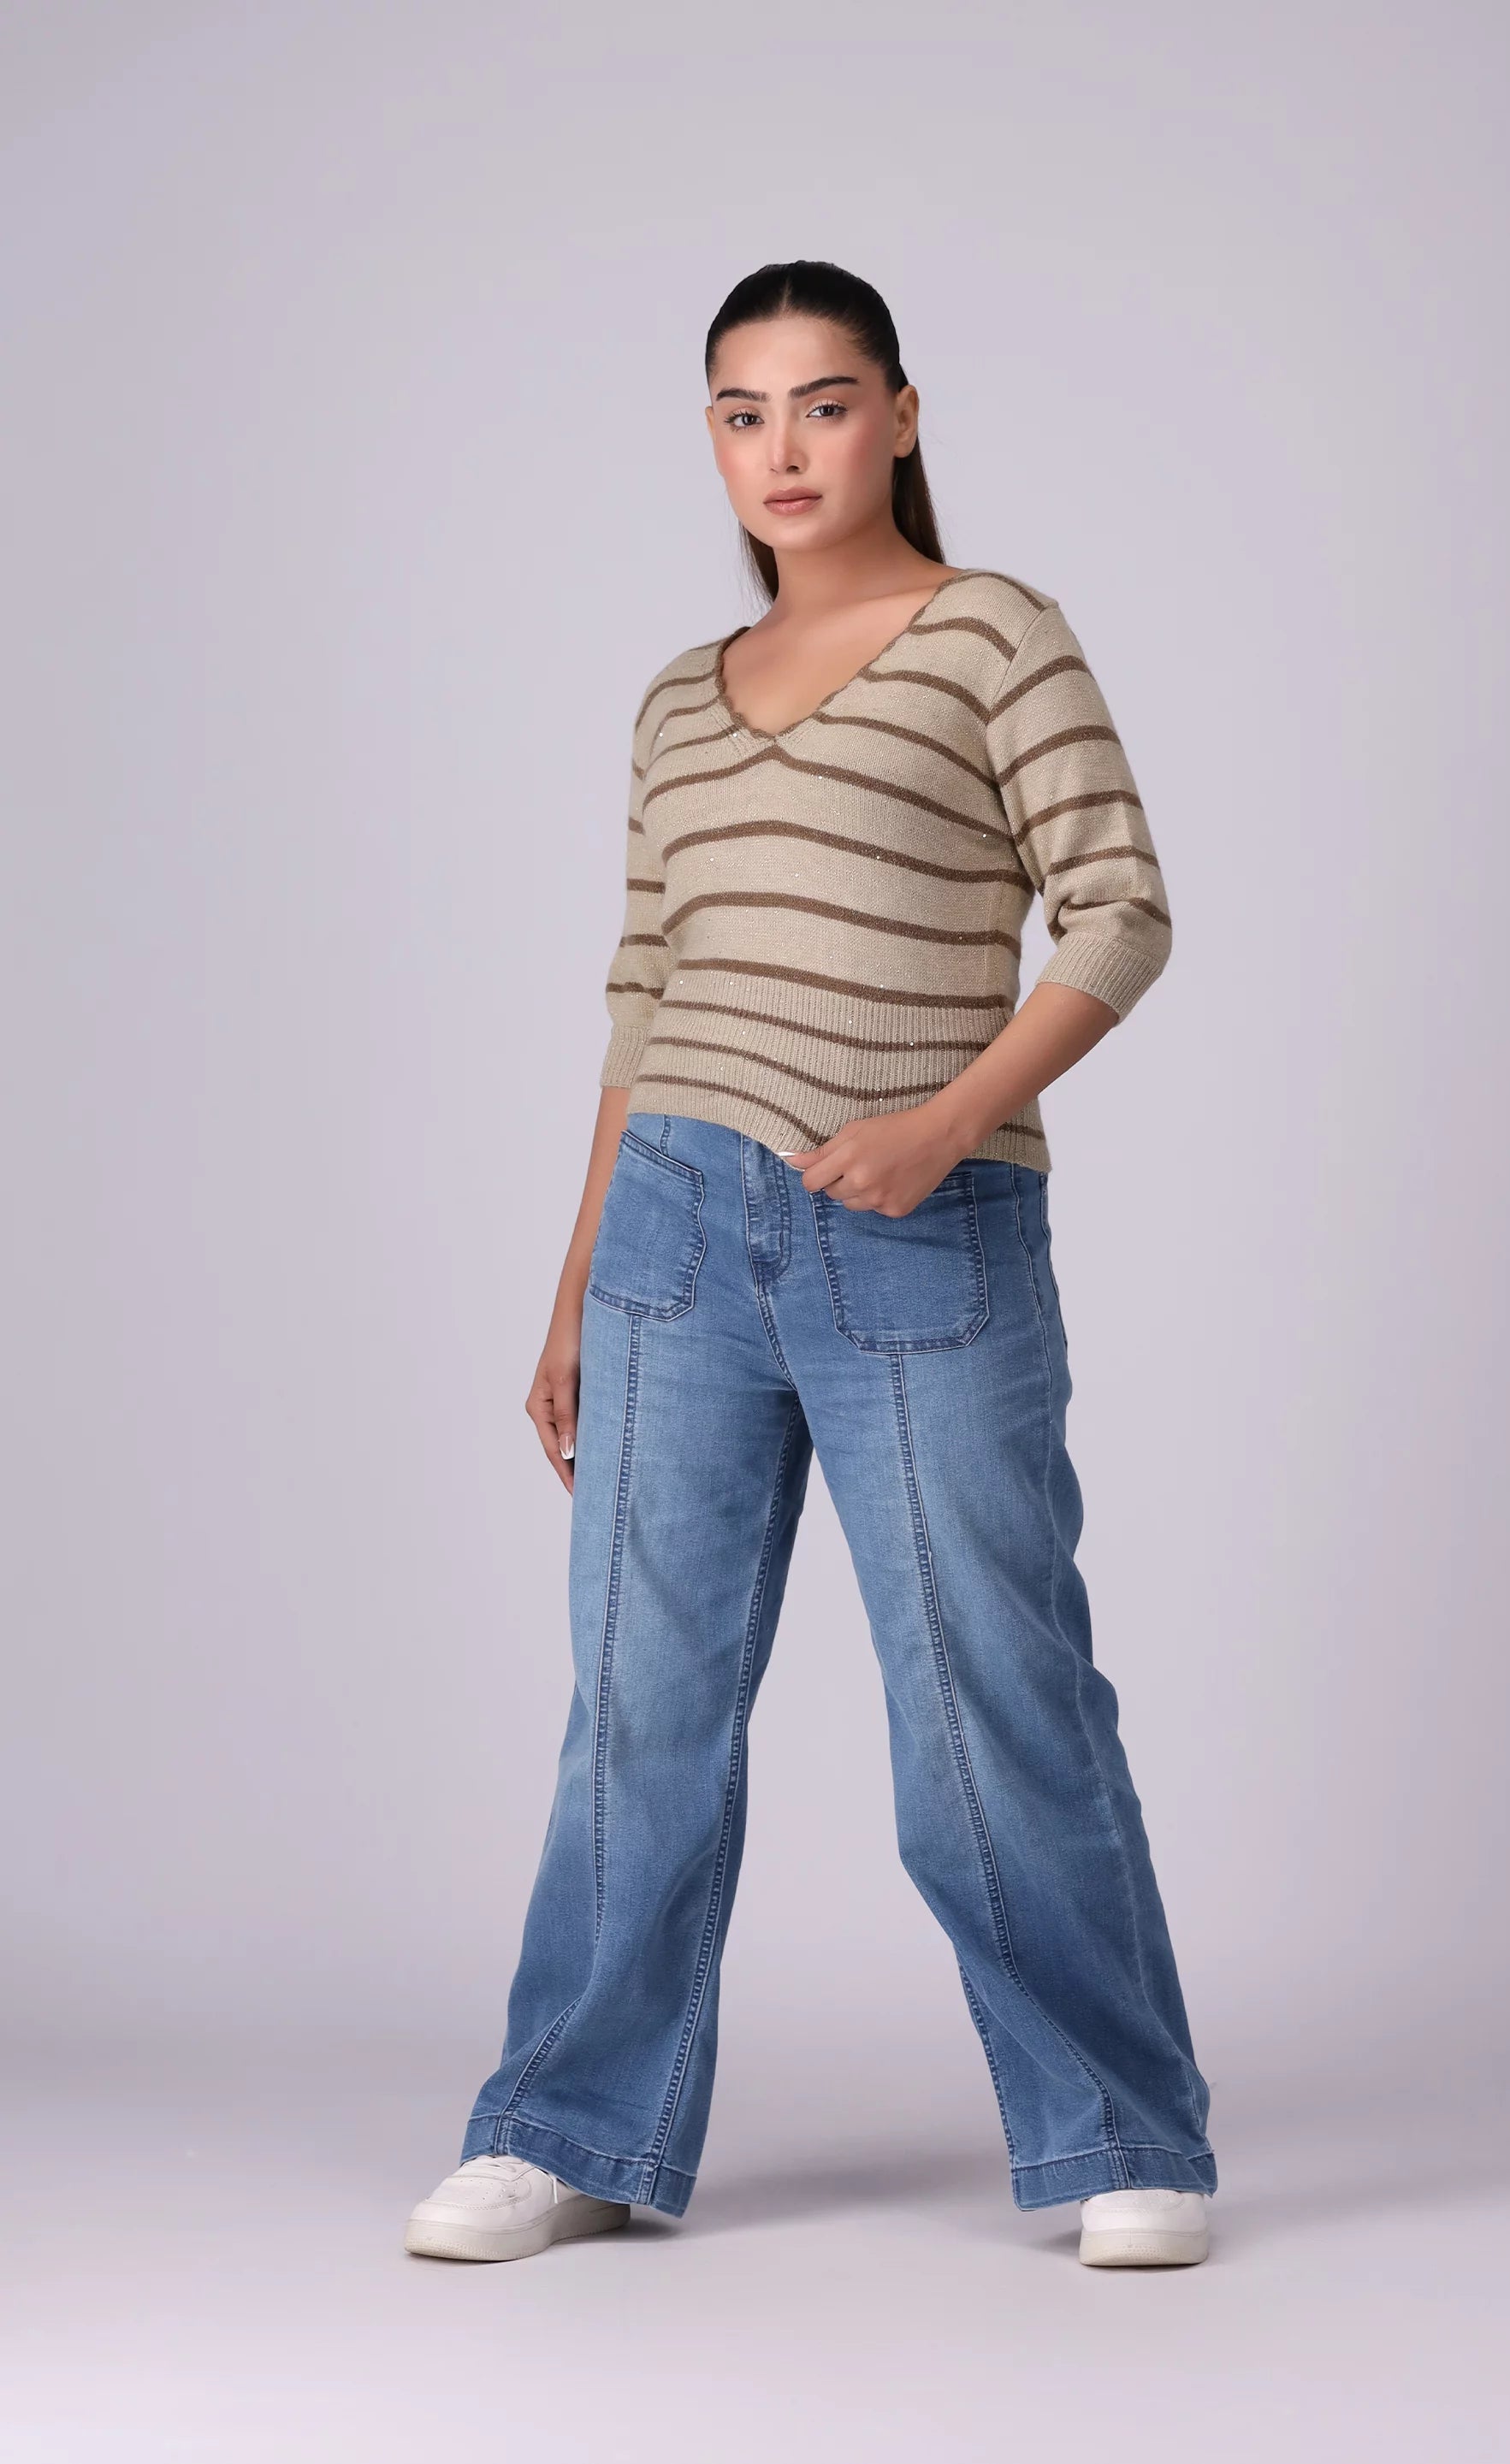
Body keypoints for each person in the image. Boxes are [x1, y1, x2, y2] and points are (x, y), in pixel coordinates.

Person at [406, 260, 1217, 2272]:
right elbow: (645, 992)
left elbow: (1120, 911)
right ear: (711, 437)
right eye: (744, 411)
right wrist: (572, 1285)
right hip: (672, 1233)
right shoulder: (679, 697)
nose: (785, 448)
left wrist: (946, 1120)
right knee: (638, 1706)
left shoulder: (992, 633)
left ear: (902, 417)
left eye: (826, 403)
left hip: (918, 1227)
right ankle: (569, 2123)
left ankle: (1123, 2134)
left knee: (987, 1696)